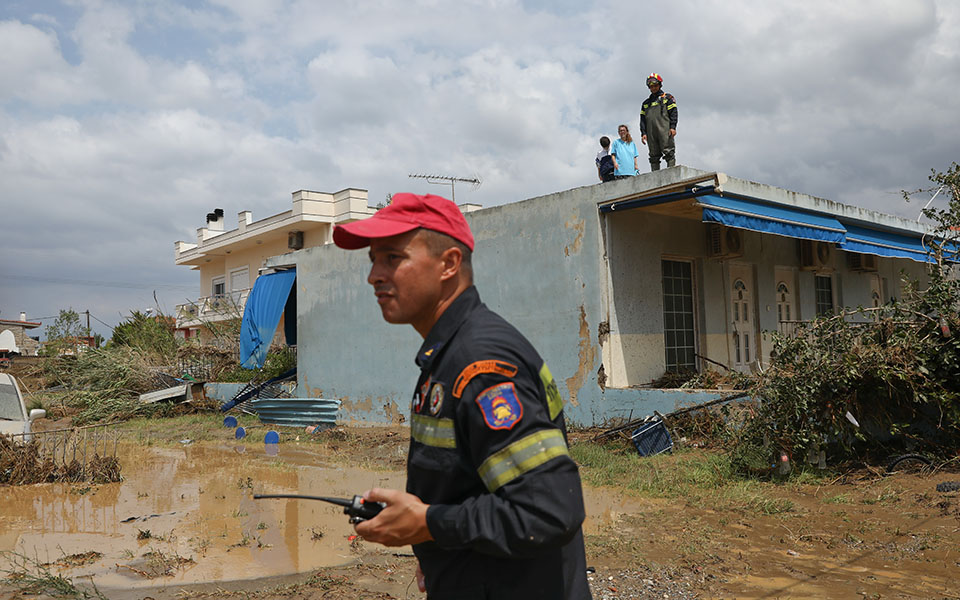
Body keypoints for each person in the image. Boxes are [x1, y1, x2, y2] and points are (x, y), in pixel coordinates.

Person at [332, 193, 592, 600]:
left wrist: (429, 524)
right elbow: (468, 485)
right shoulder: (451, 353)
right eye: (373, 261)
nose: (374, 276)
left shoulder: (480, 362)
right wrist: (437, 546)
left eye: (392, 258)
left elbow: (548, 511)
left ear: (449, 264)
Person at [639, 72, 678, 171]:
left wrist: (673, 127)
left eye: (655, 85)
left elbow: (673, 112)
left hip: (664, 130)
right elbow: (642, 119)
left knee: (669, 152)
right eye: (651, 86)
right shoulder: (646, 103)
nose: (653, 88)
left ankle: (671, 172)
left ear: (660, 85)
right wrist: (643, 132)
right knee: (653, 155)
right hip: (651, 132)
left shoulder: (667, 98)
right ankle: (655, 176)